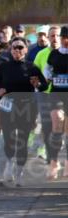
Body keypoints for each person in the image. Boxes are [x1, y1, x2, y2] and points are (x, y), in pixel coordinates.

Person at [0, 35, 46, 184]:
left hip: (27, 107)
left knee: (23, 140)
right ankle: (9, 164)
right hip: (8, 106)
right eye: (14, 47)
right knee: (10, 139)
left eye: (20, 47)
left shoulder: (32, 67)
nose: (17, 50)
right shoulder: (4, 66)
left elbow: (43, 86)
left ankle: (19, 170)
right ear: (10, 50)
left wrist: (37, 85)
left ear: (25, 50)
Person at [34, 25, 68, 179]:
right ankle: (53, 162)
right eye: (64, 38)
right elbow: (46, 75)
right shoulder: (53, 55)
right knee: (56, 122)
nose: (65, 41)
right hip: (56, 95)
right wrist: (41, 84)